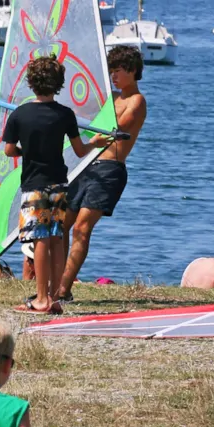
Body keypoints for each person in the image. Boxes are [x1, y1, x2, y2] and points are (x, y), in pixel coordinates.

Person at [2, 56, 108, 313]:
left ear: (31, 83)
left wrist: (24, 150)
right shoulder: (65, 114)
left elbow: (8, 150)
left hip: (34, 185)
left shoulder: (19, 114)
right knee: (56, 238)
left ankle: (40, 299)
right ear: (59, 84)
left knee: (38, 240)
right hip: (59, 183)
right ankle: (55, 298)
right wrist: (95, 142)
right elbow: (80, 150)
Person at [56, 45, 147, 302]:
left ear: (132, 71)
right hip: (86, 166)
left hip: (110, 169)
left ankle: (64, 289)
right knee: (61, 226)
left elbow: (120, 126)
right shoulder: (110, 97)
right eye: (111, 71)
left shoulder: (136, 101)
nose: (113, 76)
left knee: (82, 229)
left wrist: (97, 125)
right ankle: (57, 281)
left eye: (118, 71)